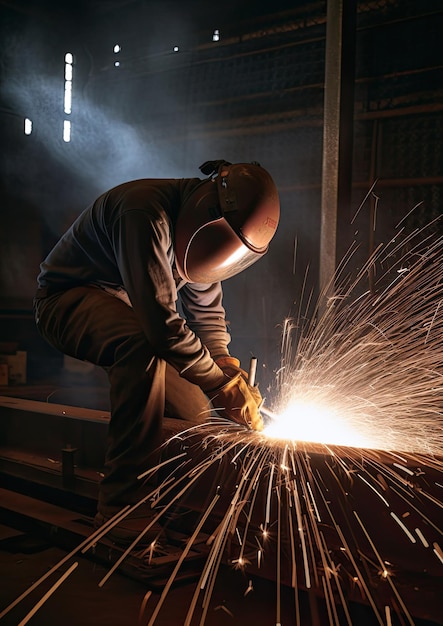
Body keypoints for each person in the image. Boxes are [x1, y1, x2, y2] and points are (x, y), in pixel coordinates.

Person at [33, 159, 280, 543]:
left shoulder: (202, 239)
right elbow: (162, 326)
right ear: (207, 210)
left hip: (136, 316)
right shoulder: (144, 212)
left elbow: (207, 315)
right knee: (141, 347)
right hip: (68, 300)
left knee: (197, 409)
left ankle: (180, 501)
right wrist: (220, 383)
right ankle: (122, 508)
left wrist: (225, 366)